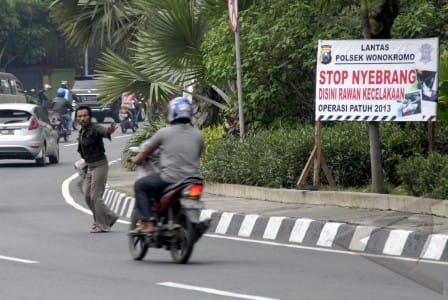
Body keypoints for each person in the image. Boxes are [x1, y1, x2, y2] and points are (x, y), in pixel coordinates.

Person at [130, 96, 204, 234]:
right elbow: (198, 153)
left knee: (140, 185)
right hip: (193, 179)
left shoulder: (164, 132)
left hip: (170, 178)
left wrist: (136, 159)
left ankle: (147, 223)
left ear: (172, 112)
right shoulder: (198, 134)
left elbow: (147, 150)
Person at [76, 105, 119, 233]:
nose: (82, 118)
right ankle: (110, 216)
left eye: (85, 115)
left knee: (95, 196)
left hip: (100, 165)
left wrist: (109, 131)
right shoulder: (82, 131)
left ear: (90, 116)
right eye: (79, 116)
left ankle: (101, 224)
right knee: (88, 196)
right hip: (90, 167)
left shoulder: (95, 128)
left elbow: (104, 132)